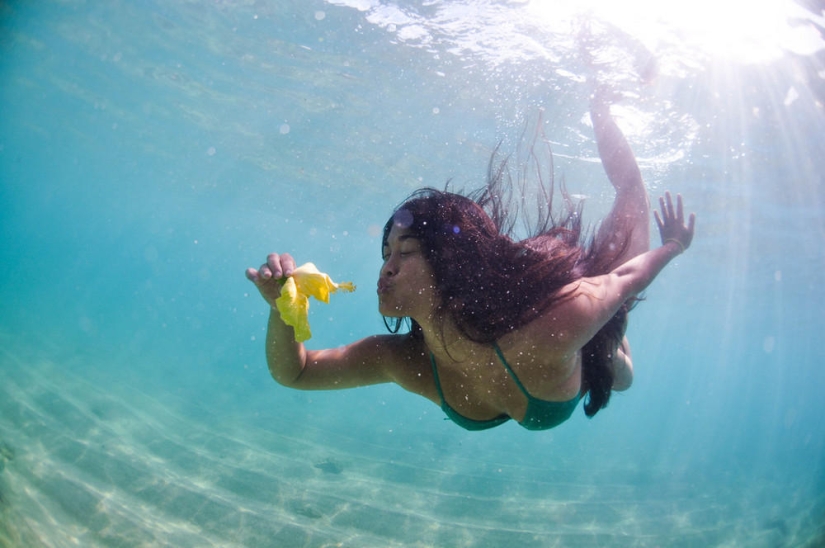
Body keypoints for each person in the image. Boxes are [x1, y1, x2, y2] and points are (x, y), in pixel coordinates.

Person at [245, 91, 695, 431]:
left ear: (449, 263)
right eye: (386, 255)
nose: (386, 268)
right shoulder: (406, 361)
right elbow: (297, 372)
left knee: (619, 369)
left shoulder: (555, 318)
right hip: (553, 352)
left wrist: (672, 246)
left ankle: (601, 104)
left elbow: (628, 276)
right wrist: (281, 310)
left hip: (582, 335)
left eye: (405, 254)